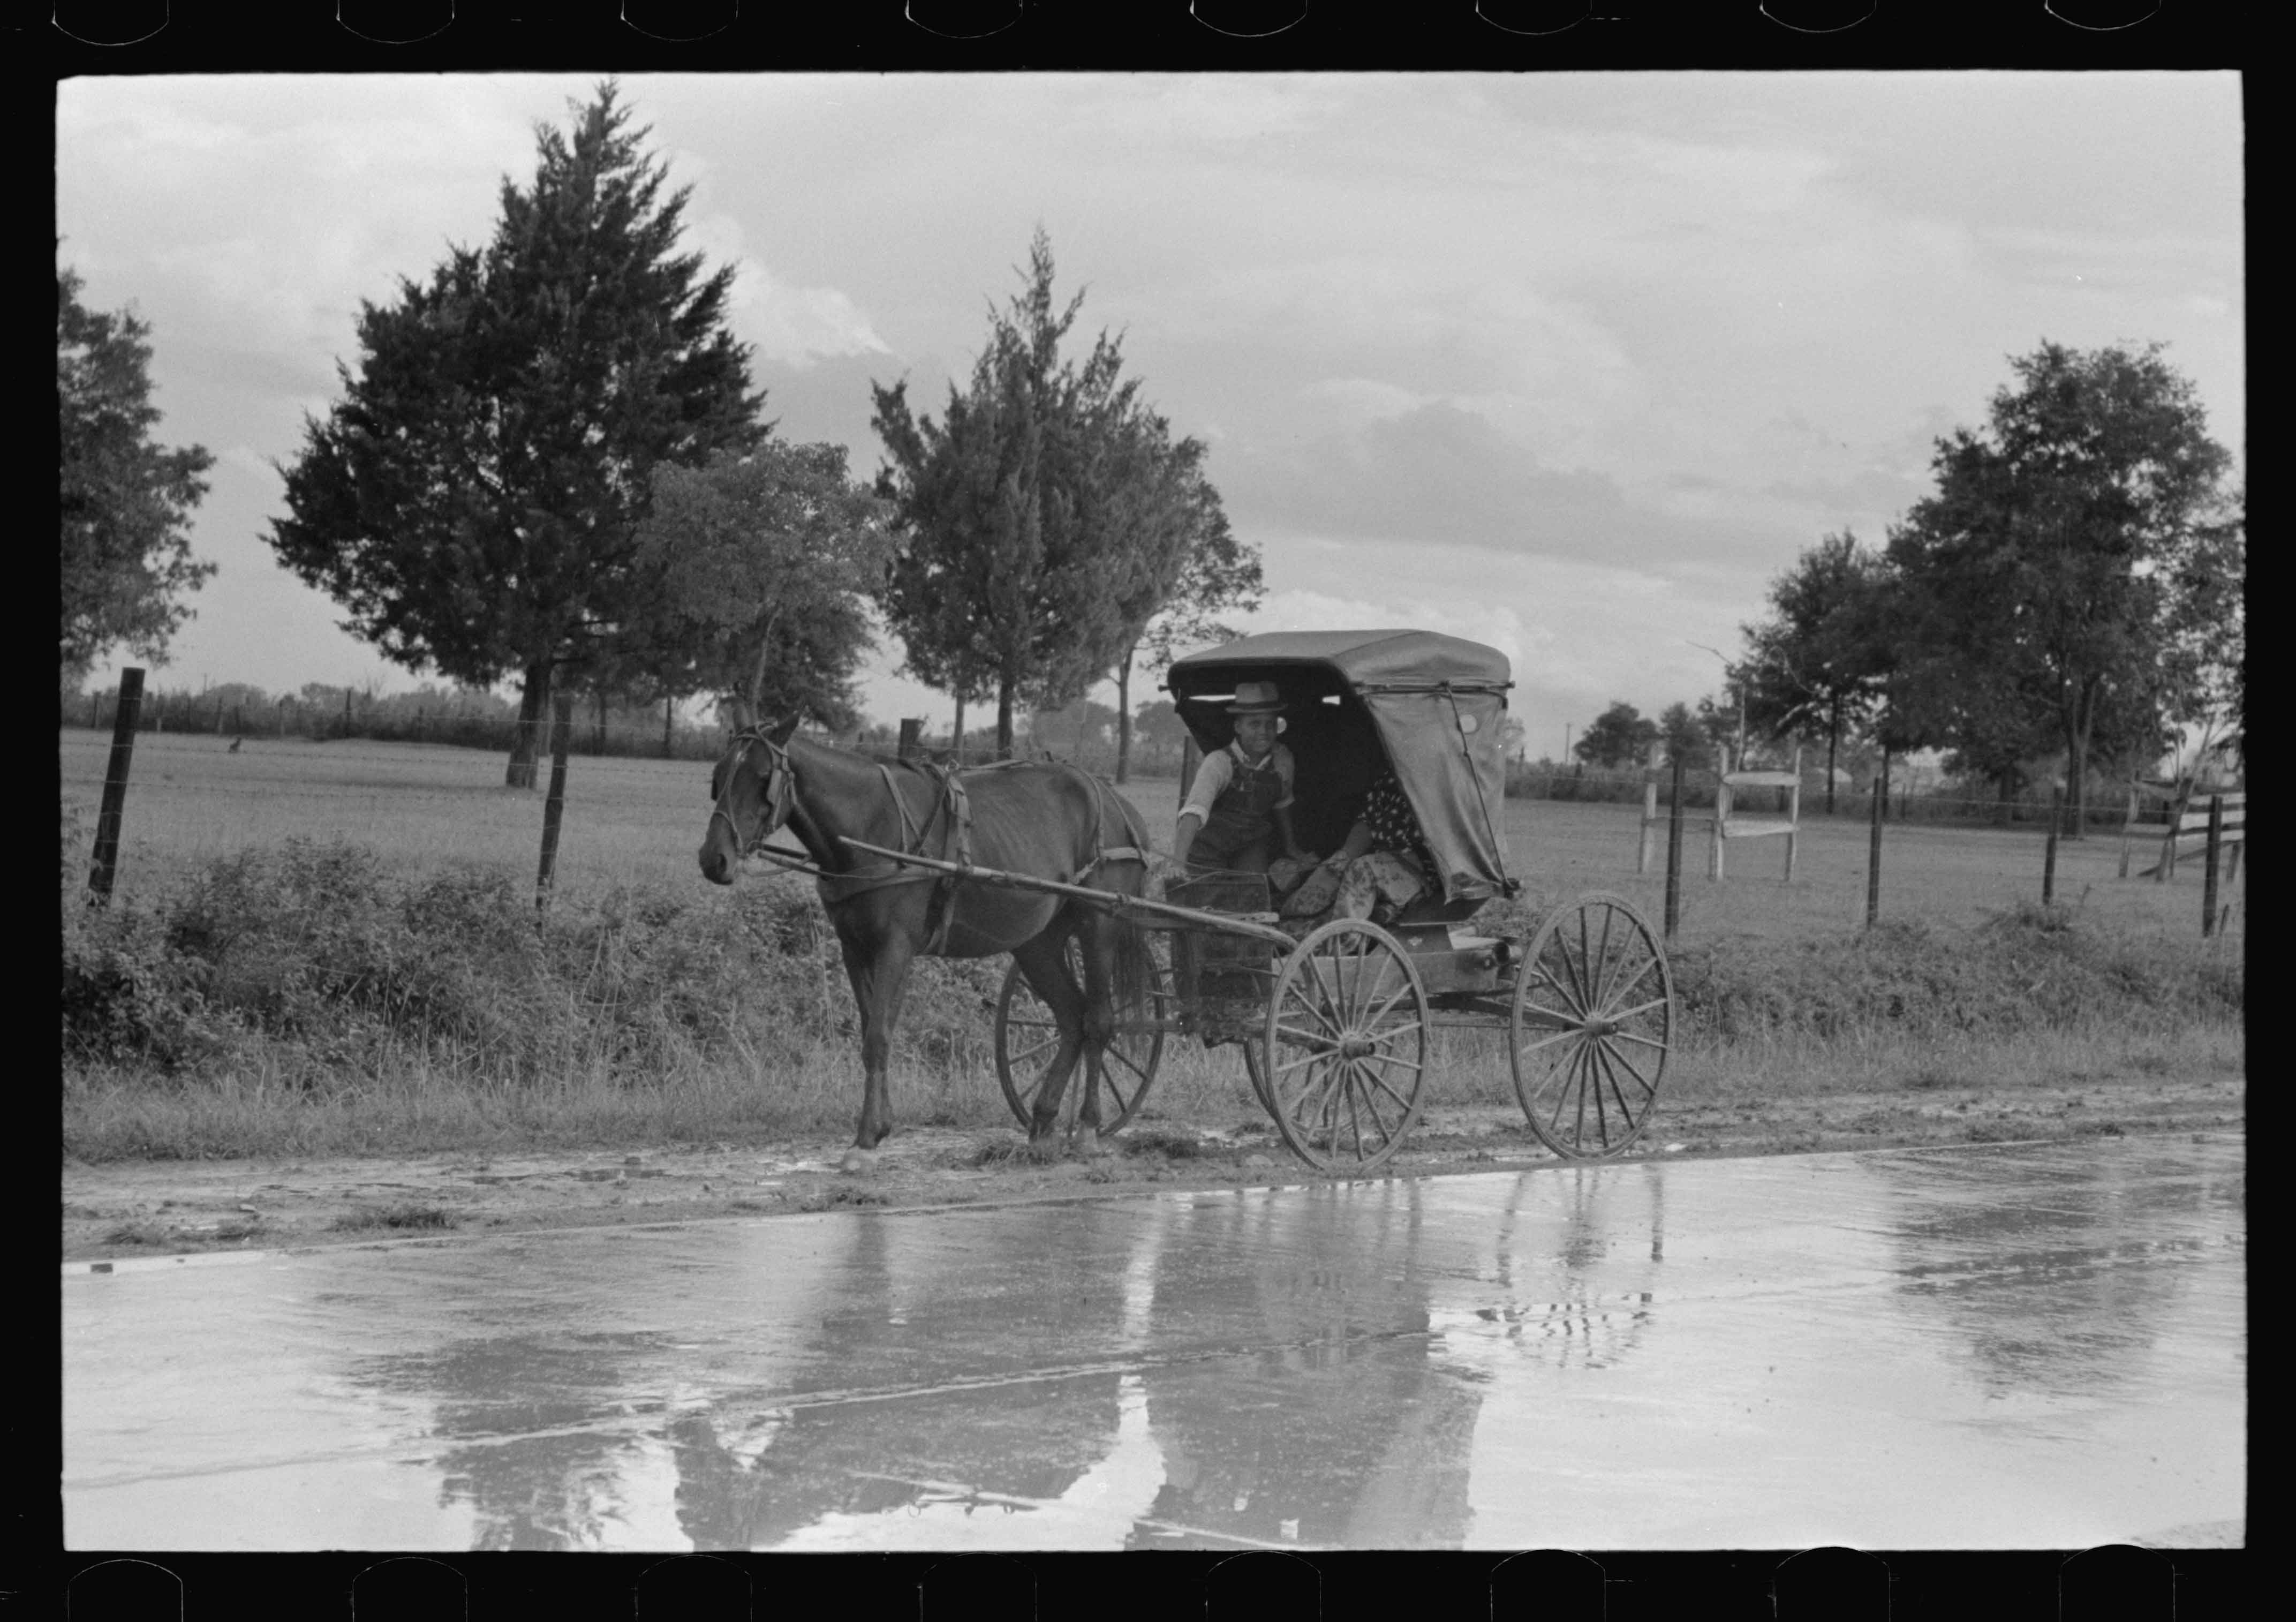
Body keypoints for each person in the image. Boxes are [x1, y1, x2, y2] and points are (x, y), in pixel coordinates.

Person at [1169, 682, 1311, 881]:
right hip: (1208, 848)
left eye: (1270, 724)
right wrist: (1178, 863)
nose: (1264, 731)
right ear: (1238, 727)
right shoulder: (1219, 762)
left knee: (1253, 899)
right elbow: (1194, 811)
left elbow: (1283, 803)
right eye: (1254, 724)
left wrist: (1291, 847)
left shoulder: (1283, 759)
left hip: (1251, 843)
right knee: (1205, 902)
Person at [1280, 764, 1435, 927]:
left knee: (1362, 870)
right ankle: (1287, 937)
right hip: (1381, 858)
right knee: (1328, 871)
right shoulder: (1392, 776)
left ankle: (1332, 947)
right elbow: (1368, 820)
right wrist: (1347, 853)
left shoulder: (1441, 778)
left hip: (1420, 871)